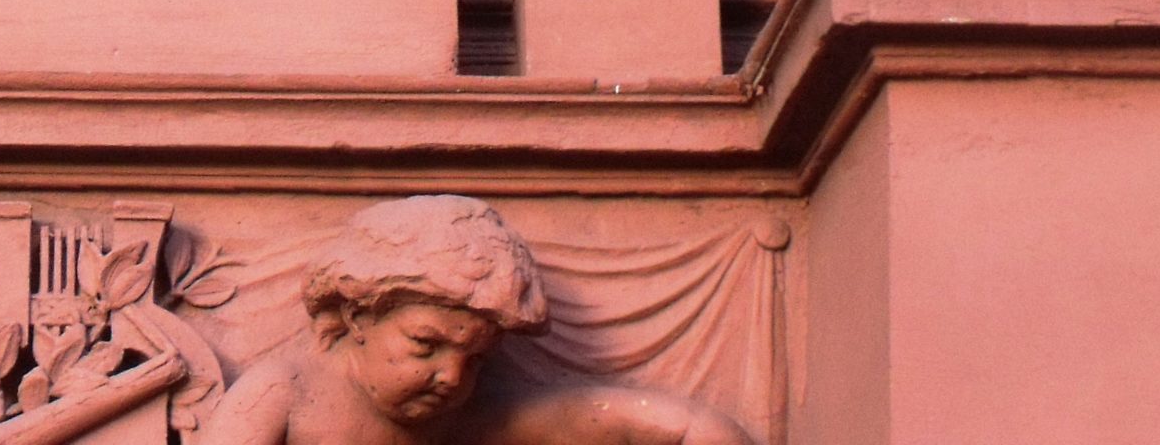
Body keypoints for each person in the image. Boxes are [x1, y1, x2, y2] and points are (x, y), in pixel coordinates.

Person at [199, 199, 752, 445]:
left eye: (477, 359)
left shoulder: (465, 412)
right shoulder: (285, 393)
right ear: (358, 315)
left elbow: (653, 423)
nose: (451, 377)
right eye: (425, 344)